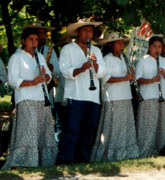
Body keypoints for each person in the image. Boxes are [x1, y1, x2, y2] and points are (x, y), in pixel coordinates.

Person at [2, 28, 57, 169]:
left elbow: (49, 76)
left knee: (42, 130)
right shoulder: (16, 57)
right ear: (23, 41)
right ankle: (23, 161)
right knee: (28, 130)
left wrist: (46, 76)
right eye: (31, 40)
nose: (34, 43)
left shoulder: (39, 56)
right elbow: (12, 80)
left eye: (36, 40)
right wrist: (32, 82)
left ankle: (43, 161)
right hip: (26, 99)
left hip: (41, 98)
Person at [57, 18, 106, 164]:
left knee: (88, 129)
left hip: (92, 96)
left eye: (90, 31)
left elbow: (102, 72)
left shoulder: (96, 50)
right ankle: (65, 160)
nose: (88, 34)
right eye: (85, 30)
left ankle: (83, 160)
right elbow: (65, 71)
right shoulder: (68, 49)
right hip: (75, 95)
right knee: (71, 129)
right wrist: (81, 68)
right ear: (78, 32)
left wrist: (95, 64)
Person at [90, 31, 139, 162]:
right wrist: (125, 78)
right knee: (113, 128)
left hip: (125, 96)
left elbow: (126, 77)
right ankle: (111, 154)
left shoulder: (124, 58)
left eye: (122, 43)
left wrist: (130, 76)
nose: (122, 45)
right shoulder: (107, 59)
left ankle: (126, 153)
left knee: (124, 127)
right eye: (118, 43)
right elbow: (106, 79)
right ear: (111, 45)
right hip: (113, 98)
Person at [22, 21, 64, 141]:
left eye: (44, 33)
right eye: (38, 32)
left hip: (46, 92)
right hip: (27, 94)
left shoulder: (49, 50)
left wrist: (51, 69)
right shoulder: (21, 51)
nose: (41, 36)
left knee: (44, 125)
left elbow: (57, 72)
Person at [135, 36, 165, 157]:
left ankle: (162, 150)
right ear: (149, 47)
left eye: (160, 47)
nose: (157, 49)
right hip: (148, 96)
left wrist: (164, 74)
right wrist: (151, 80)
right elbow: (138, 79)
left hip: (163, 96)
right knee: (149, 125)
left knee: (162, 125)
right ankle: (145, 152)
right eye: (154, 46)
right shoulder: (143, 60)